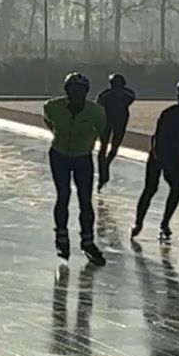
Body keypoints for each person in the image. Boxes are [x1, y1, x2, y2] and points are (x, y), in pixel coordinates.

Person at [42, 72, 108, 264]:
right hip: (59, 155)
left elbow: (103, 134)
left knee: (85, 200)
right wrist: (57, 133)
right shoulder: (54, 106)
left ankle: (88, 241)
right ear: (67, 91)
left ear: (86, 92)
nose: (76, 94)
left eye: (80, 90)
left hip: (82, 157)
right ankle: (61, 236)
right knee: (63, 195)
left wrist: (102, 160)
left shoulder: (96, 111)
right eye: (73, 90)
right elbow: (48, 119)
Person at [129, 79, 179, 240]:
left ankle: (165, 224)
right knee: (150, 188)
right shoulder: (169, 114)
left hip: (177, 157)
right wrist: (162, 161)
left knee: (176, 190)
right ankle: (138, 222)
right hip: (158, 154)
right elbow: (158, 139)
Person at [95, 73, 137, 188]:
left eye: (120, 87)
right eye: (115, 86)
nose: (118, 90)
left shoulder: (127, 95)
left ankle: (105, 165)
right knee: (103, 147)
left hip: (120, 122)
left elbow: (132, 97)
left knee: (114, 147)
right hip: (107, 122)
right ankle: (103, 171)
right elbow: (97, 106)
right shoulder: (105, 96)